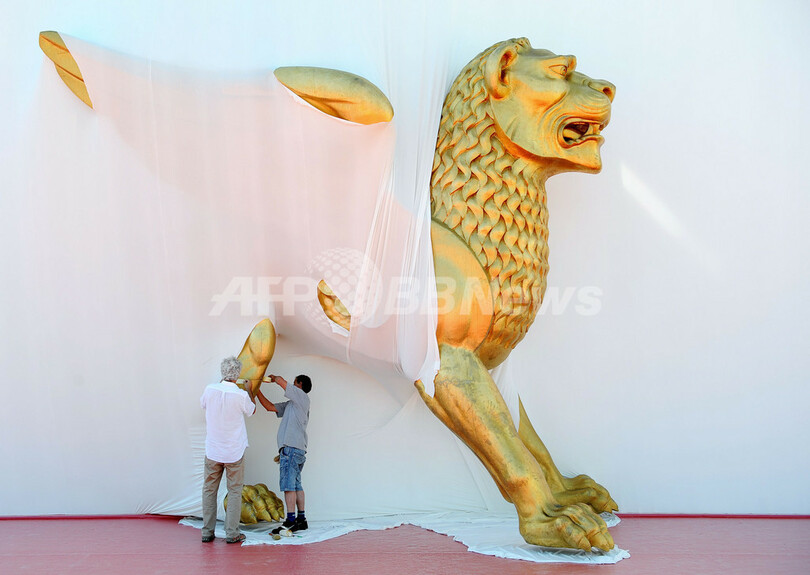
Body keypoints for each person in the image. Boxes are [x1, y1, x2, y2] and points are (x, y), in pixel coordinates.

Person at [199, 356, 255, 544]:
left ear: (222, 372)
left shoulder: (209, 389)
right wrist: (250, 390)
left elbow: (203, 405)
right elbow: (252, 410)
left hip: (213, 450)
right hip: (234, 451)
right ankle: (232, 533)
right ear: (237, 375)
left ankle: (207, 531)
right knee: (234, 492)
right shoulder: (241, 395)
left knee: (209, 490)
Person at [253, 373, 312, 534]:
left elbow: (281, 381)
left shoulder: (301, 397)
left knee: (288, 485)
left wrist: (272, 378)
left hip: (291, 449)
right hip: (297, 449)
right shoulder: (292, 405)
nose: (292, 386)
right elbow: (269, 407)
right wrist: (256, 391)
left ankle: (290, 521)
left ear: (299, 385)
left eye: (295, 383)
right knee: (296, 485)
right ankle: (301, 520)